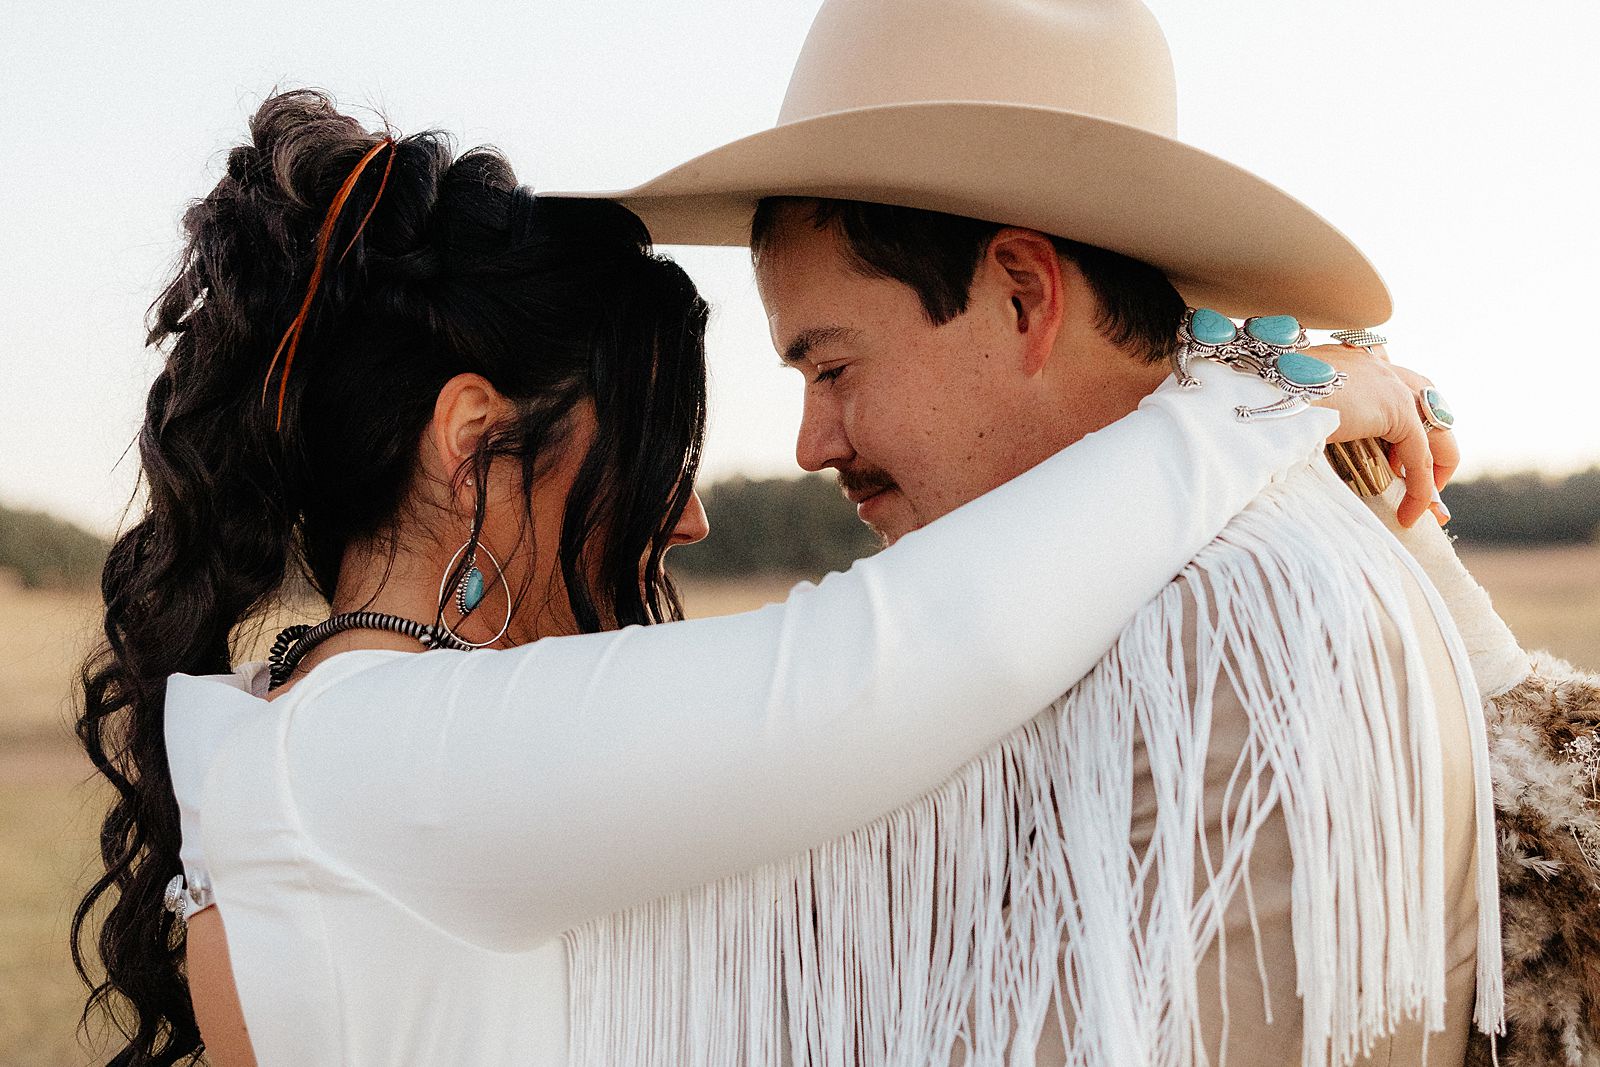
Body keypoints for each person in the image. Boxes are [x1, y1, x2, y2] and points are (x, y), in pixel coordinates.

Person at [68, 90, 1437, 1067]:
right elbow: (885, 663)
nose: (692, 513)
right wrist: (1257, 401)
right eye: (653, 446)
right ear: (476, 439)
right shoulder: (375, 755)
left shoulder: (339, 744)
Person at [548, 0, 1511, 1064]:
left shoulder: (1236, 626)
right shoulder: (1139, 591)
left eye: (832, 369)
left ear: (1020, 296)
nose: (812, 442)